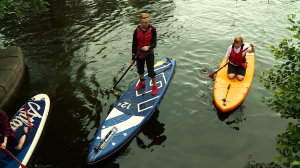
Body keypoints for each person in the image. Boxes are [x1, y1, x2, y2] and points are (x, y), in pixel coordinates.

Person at [130, 13, 158, 95]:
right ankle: (142, 82)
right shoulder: (136, 31)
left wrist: (148, 47)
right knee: (140, 70)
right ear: (140, 21)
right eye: (143, 22)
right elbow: (134, 45)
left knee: (151, 72)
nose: (145, 24)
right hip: (139, 53)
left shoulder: (152, 29)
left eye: (146, 22)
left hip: (149, 53)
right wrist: (133, 58)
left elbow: (154, 43)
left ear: (148, 21)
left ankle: (154, 85)